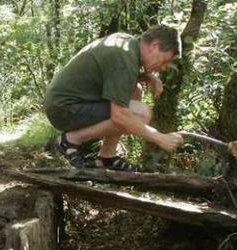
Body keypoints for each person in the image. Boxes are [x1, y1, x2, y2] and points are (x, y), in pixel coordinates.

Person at [43, 25, 185, 172]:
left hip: (64, 104)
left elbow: (112, 74)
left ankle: (107, 157)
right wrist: (160, 138)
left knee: (135, 90)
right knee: (141, 113)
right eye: (165, 60)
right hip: (64, 109)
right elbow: (120, 116)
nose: (163, 67)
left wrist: (144, 75)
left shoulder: (126, 43)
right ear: (154, 46)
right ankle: (71, 139)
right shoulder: (124, 57)